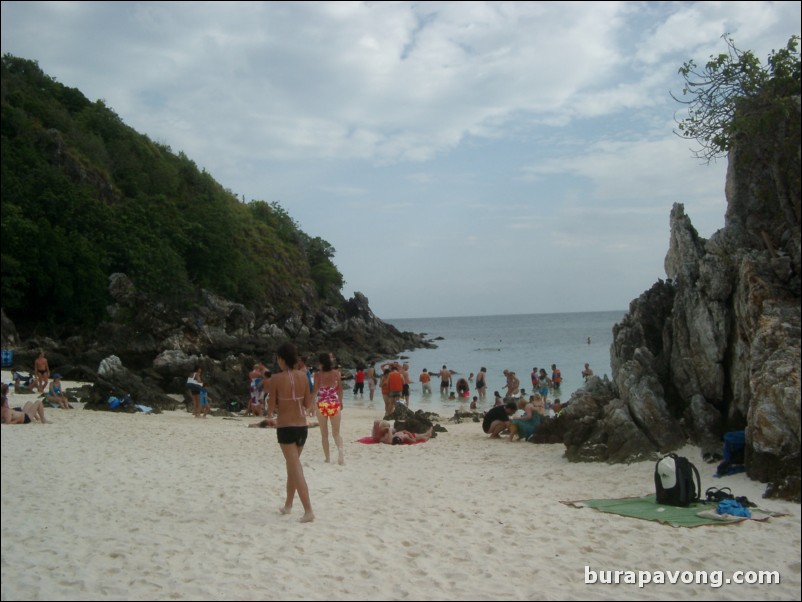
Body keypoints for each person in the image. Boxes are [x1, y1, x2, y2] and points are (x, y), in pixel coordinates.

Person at [264, 342, 315, 523]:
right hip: (302, 427)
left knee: (295, 467)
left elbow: (270, 409)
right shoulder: (303, 376)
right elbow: (308, 403)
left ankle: (308, 510)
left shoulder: (275, 379)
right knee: (292, 466)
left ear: (282, 359)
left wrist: (276, 408)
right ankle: (288, 504)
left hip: (286, 427)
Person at [313, 352, 344, 465]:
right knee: (336, 433)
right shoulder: (337, 373)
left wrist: (311, 405)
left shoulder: (317, 375)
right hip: (334, 404)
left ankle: (327, 458)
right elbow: (340, 390)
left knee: (324, 434)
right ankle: (340, 450)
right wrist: (341, 402)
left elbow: (315, 391)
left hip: (322, 405)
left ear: (320, 362)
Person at [369, 419, 434, 445]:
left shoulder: (382, 434)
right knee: (415, 436)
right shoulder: (383, 437)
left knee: (412, 434)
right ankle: (426, 435)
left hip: (401, 435)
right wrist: (388, 430)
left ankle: (426, 434)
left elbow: (394, 432)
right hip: (403, 437)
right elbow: (390, 441)